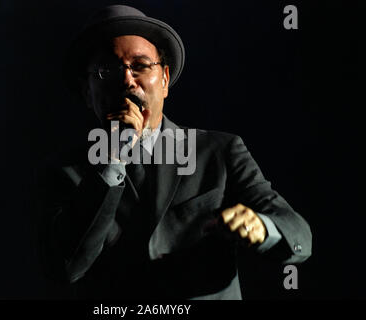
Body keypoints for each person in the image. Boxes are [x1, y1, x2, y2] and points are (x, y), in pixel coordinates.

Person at [38, 5, 312, 300]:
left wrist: (263, 227)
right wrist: (111, 157)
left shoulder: (219, 151)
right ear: (87, 93)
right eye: (108, 70)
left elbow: (297, 233)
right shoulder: (64, 172)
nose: (127, 81)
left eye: (140, 66)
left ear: (165, 80)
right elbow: (64, 268)